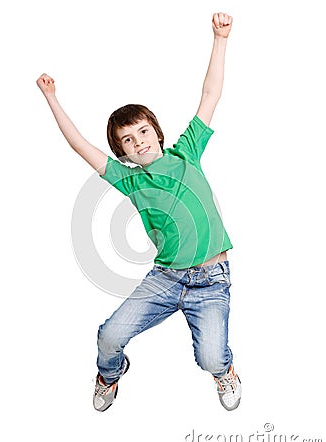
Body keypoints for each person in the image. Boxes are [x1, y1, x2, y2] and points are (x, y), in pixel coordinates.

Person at [36, 11, 241, 412]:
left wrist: (220, 39)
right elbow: (80, 144)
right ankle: (108, 376)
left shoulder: (187, 154)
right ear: (122, 153)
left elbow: (210, 95)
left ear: (157, 132)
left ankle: (225, 372)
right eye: (128, 140)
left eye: (143, 131)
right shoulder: (129, 181)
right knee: (109, 337)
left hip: (212, 279)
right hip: (166, 277)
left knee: (211, 358)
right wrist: (51, 98)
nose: (139, 141)